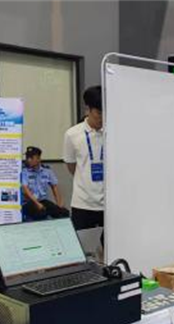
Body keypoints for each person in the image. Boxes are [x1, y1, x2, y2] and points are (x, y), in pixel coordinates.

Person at [63, 86, 104, 232]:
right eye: (99, 113)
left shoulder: (114, 132)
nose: (103, 118)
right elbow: (72, 166)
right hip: (82, 203)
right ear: (88, 109)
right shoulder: (72, 134)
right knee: (83, 243)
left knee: (112, 245)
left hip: (110, 204)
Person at [21, 146, 69, 220]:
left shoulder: (47, 171)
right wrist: (37, 204)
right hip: (29, 202)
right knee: (41, 213)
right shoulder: (24, 171)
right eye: (27, 157)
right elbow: (26, 190)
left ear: (38, 158)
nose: (28, 160)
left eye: (31, 158)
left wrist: (59, 203)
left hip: (43, 201)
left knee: (64, 213)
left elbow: (54, 187)